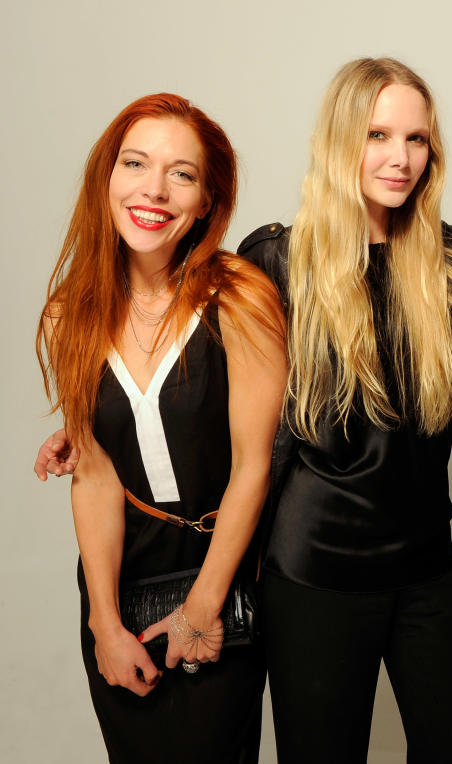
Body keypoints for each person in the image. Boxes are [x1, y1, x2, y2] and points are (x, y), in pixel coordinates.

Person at [236, 58, 452, 763]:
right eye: (377, 134)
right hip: (313, 574)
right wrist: (96, 427)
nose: (400, 157)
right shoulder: (275, 260)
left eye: (416, 139)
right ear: (338, 140)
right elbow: (199, 376)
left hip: (424, 566)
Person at [36, 94, 286, 762]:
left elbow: (252, 467)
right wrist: (103, 622)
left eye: (181, 173)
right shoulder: (71, 313)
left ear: (207, 199)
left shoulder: (240, 298)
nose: (153, 189)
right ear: (108, 178)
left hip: (220, 575)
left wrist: (205, 606)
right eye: (135, 163)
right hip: (120, 583)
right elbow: (93, 477)